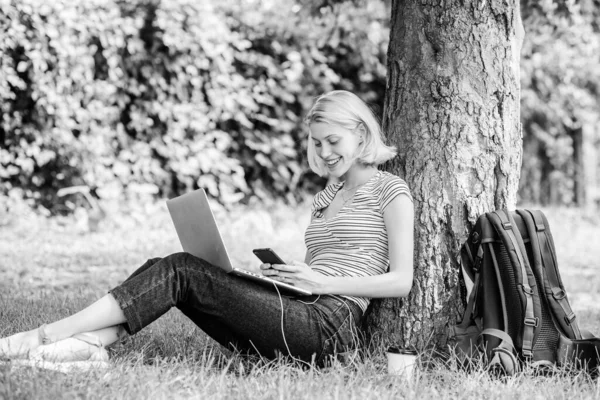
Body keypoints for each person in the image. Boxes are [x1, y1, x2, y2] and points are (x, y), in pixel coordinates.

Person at [0, 90, 414, 366]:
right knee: (163, 265)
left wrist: (320, 280)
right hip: (303, 311)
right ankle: (90, 344)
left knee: (182, 269)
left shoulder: (390, 191)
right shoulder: (325, 197)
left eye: (333, 141)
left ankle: (45, 336)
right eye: (317, 143)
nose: (324, 153)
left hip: (331, 329)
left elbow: (401, 280)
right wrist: (287, 276)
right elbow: (318, 271)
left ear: (360, 134)